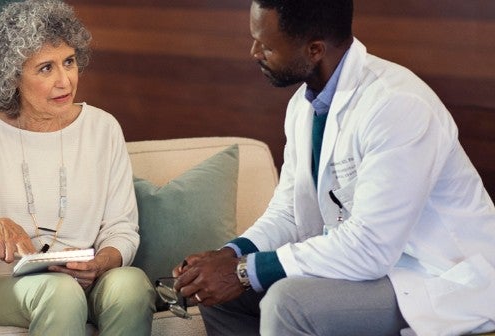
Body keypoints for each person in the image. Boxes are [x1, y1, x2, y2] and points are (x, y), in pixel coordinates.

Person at [171, 0, 495, 335]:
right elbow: (289, 212)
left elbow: (371, 247)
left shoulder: (396, 105)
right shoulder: (304, 105)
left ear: (314, 50)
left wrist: (243, 271)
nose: (254, 52)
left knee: (287, 302)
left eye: (266, 45)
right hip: (372, 268)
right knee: (218, 295)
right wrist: (230, 255)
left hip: (435, 277)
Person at [0, 1, 154, 335]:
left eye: (69, 62)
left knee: (131, 284)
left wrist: (100, 262)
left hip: (84, 283)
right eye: (46, 68)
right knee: (59, 293)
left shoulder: (102, 129)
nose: (65, 81)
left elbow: (122, 228)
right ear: (13, 75)